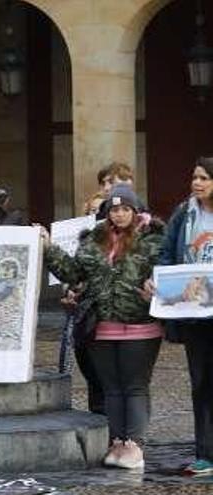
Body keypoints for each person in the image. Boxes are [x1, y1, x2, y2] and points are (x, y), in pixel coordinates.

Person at [42, 183, 163, 470]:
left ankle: (134, 443)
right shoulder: (93, 241)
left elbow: (167, 272)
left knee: (134, 386)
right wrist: (48, 249)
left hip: (140, 326)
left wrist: (157, 290)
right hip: (102, 326)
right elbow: (72, 272)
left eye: (125, 209)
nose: (119, 214)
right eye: (114, 209)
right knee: (110, 388)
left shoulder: (154, 240)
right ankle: (116, 440)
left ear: (135, 211)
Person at [159, 156, 213, 475]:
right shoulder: (183, 213)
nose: (197, 183)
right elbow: (167, 252)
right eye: (195, 177)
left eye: (204, 178)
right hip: (195, 315)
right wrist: (162, 280)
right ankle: (205, 453)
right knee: (202, 383)